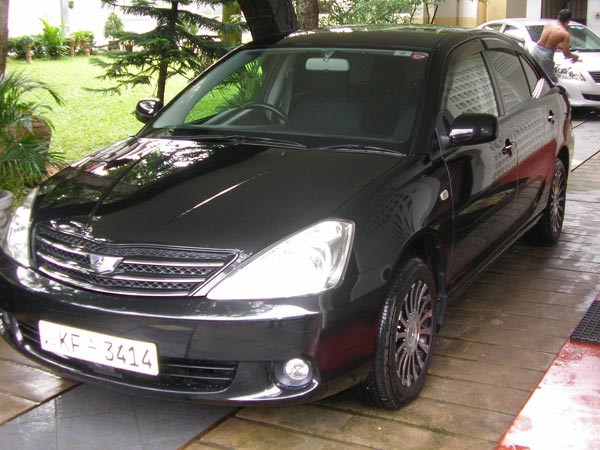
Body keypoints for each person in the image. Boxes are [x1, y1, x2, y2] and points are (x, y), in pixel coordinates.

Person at [531, 9, 579, 82]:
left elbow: (548, 42)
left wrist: (559, 48)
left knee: (534, 75)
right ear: (568, 20)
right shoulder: (565, 34)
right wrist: (575, 57)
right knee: (550, 80)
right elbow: (566, 54)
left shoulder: (549, 24)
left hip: (535, 50)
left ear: (558, 16)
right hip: (546, 56)